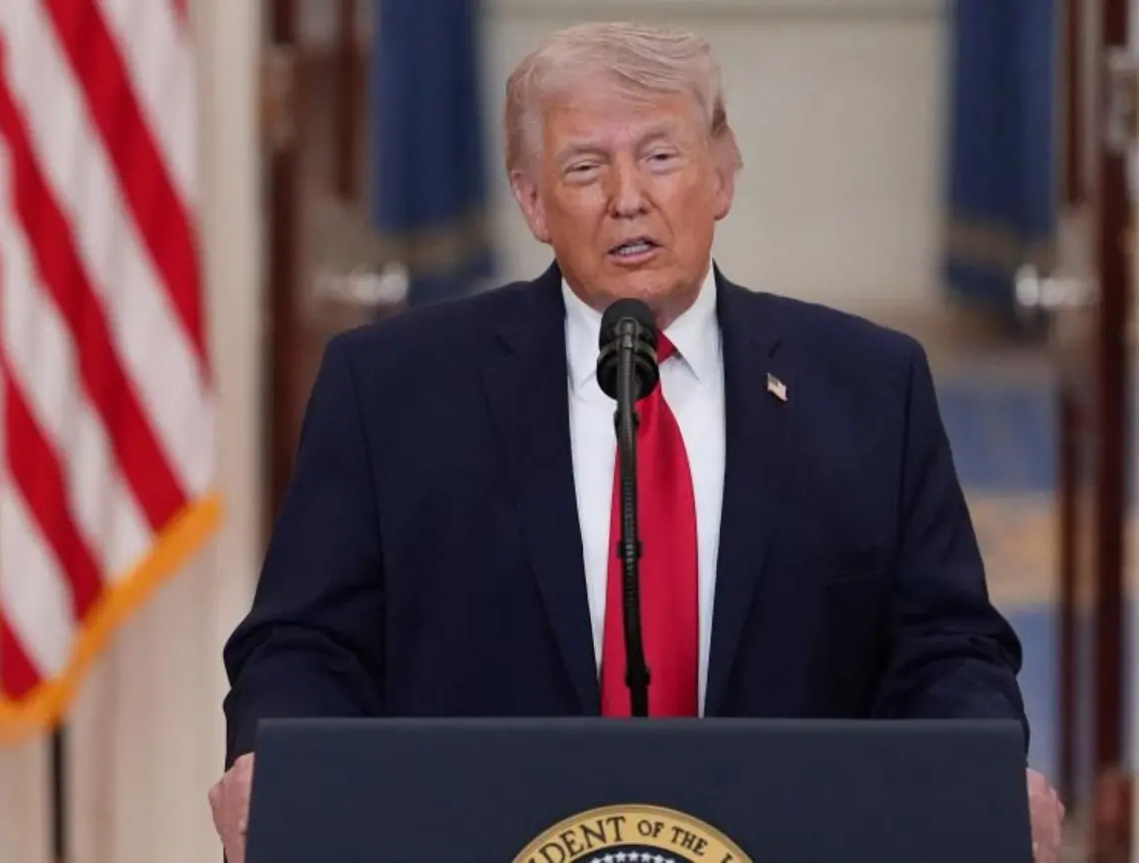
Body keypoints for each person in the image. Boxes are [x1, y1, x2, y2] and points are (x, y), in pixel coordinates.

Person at [209, 20, 1064, 862]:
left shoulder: (871, 387)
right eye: (586, 166)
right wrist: (275, 764)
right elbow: (306, 644)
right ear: (533, 201)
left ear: (723, 176)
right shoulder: (390, 390)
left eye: (661, 155)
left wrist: (979, 770)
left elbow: (948, 645)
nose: (629, 196)